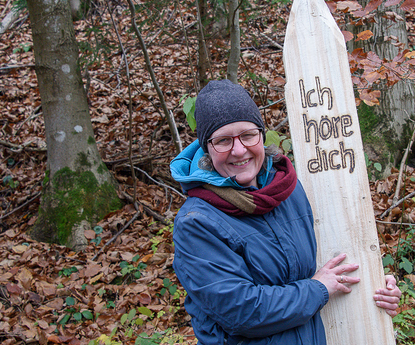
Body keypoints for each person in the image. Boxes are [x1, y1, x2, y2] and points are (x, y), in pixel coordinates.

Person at [170, 79, 401, 345]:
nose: (238, 149)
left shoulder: (289, 190)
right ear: (207, 149)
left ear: (261, 135)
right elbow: (240, 312)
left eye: (247, 135)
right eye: (223, 140)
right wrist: (318, 289)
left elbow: (327, 264)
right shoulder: (197, 223)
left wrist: (372, 290)